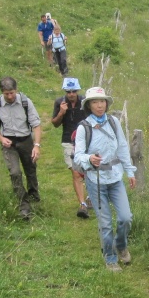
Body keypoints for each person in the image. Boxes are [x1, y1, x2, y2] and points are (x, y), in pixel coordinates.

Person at [73, 87, 136, 272]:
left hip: (116, 178)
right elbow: (78, 156)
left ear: (107, 103)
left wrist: (130, 172)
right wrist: (89, 159)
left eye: (102, 101)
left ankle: (121, 245)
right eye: (95, 102)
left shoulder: (114, 122)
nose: (99, 105)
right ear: (89, 105)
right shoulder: (84, 127)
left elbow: (123, 147)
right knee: (105, 223)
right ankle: (110, 257)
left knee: (126, 217)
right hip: (96, 179)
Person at [0, 76, 42, 220]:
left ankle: (34, 195)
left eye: (12, 92)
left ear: (16, 90)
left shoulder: (25, 102)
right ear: (2, 92)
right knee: (15, 173)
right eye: (7, 94)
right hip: (9, 144)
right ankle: (23, 206)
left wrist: (36, 145)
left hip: (26, 141)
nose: (10, 96)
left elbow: (36, 125)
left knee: (30, 169)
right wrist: (1, 138)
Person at [51, 77, 89, 219]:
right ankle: (82, 204)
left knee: (88, 171)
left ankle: (90, 197)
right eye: (68, 91)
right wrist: (61, 112)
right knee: (76, 173)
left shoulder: (85, 102)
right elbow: (54, 124)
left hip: (86, 140)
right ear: (65, 91)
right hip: (68, 141)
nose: (71, 94)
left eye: (73, 91)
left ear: (77, 91)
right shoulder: (59, 102)